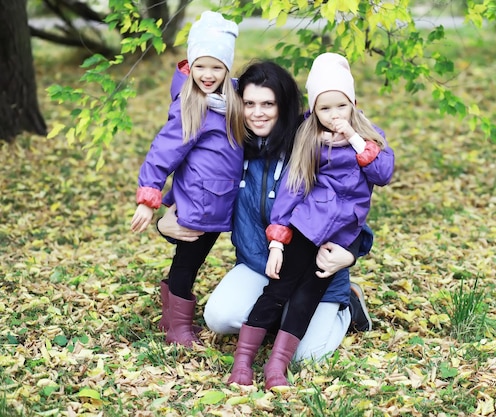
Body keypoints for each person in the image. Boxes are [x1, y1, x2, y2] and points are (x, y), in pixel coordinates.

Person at [156, 60, 374, 361]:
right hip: (259, 265)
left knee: (306, 357)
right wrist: (164, 218)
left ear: (283, 105)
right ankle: (281, 313)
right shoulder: (234, 147)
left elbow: (348, 205)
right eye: (249, 103)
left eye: (268, 104)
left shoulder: (312, 144)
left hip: (316, 270)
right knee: (219, 317)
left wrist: (350, 251)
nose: (257, 113)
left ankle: (347, 306)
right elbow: (199, 187)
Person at [228, 52, 395, 390]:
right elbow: (292, 189)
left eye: (341, 106)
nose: (333, 115)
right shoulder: (309, 138)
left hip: (338, 239)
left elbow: (383, 173)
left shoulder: (368, 138)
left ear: (353, 104)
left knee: (305, 300)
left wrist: (353, 137)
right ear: (314, 110)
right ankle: (242, 361)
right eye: (324, 108)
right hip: (306, 228)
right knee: (279, 291)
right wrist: (277, 240)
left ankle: (277, 365)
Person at [130, 11, 244, 347]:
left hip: (220, 195)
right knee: (189, 258)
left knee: (192, 255)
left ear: (227, 69)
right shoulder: (191, 104)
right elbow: (163, 150)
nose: (208, 75)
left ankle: (172, 316)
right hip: (200, 197)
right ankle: (176, 327)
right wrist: (149, 198)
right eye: (201, 66)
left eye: (217, 67)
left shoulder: (230, 98)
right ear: (190, 65)